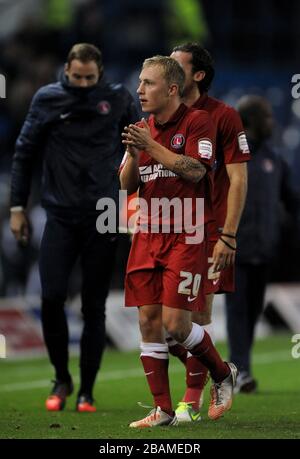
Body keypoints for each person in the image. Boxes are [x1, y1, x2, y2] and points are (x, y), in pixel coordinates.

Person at [10, 43, 138, 412]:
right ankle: (61, 377)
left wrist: (133, 204)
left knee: (93, 306)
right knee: (51, 298)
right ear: (66, 70)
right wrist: (18, 208)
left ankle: (87, 391)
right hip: (60, 215)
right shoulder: (47, 99)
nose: (82, 85)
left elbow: (139, 150)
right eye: (76, 77)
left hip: (104, 213)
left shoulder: (117, 99)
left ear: (100, 74)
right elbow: (24, 153)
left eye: (89, 78)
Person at [120, 55, 237, 428]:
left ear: (172, 89)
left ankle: (222, 373)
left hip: (187, 233)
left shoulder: (197, 121)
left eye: (148, 83)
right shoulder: (140, 128)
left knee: (177, 325)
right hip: (147, 234)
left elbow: (195, 170)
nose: (140, 90)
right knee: (148, 322)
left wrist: (150, 148)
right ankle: (164, 410)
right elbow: (125, 186)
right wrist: (134, 153)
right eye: (139, 83)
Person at [166, 42, 250, 423]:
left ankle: (190, 401)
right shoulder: (160, 113)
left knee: (194, 319)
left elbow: (237, 179)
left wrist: (228, 235)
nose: (167, 68)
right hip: (165, 230)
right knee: (165, 327)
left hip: (209, 231)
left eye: (176, 65)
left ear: (197, 75)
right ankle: (222, 371)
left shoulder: (225, 116)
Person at [225, 95, 300, 392]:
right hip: (235, 249)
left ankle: (240, 366)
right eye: (267, 116)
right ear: (251, 121)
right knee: (238, 309)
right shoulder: (231, 156)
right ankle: (239, 369)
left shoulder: (274, 158)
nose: (272, 121)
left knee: (253, 309)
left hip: (265, 250)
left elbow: (292, 201)